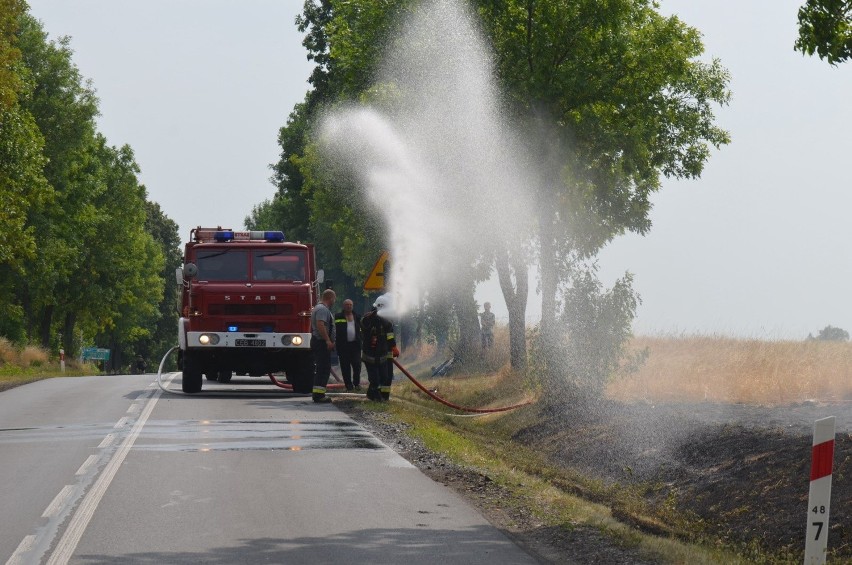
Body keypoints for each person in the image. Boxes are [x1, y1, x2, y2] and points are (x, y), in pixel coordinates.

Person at [361, 298, 399, 401]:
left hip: (383, 353)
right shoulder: (367, 318)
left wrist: (393, 347)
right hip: (370, 355)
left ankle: (382, 396)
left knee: (385, 377)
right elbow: (364, 326)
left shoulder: (386, 321)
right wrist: (373, 316)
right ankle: (375, 396)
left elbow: (390, 335)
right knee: (375, 378)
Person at [310, 289, 336, 403]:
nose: (334, 301)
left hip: (319, 342)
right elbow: (320, 325)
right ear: (330, 298)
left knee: (322, 368)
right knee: (323, 368)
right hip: (321, 342)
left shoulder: (320, 308)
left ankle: (319, 393)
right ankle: (319, 395)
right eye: (334, 299)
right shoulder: (322, 309)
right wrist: (327, 340)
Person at [334, 299, 362, 391]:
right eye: (347, 304)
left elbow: (362, 329)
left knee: (357, 365)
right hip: (343, 346)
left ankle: (357, 384)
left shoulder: (357, 316)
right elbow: (333, 330)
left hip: (355, 346)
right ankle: (348, 386)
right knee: (345, 367)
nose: (349, 306)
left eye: (350, 304)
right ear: (343, 306)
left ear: (352, 306)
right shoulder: (337, 317)